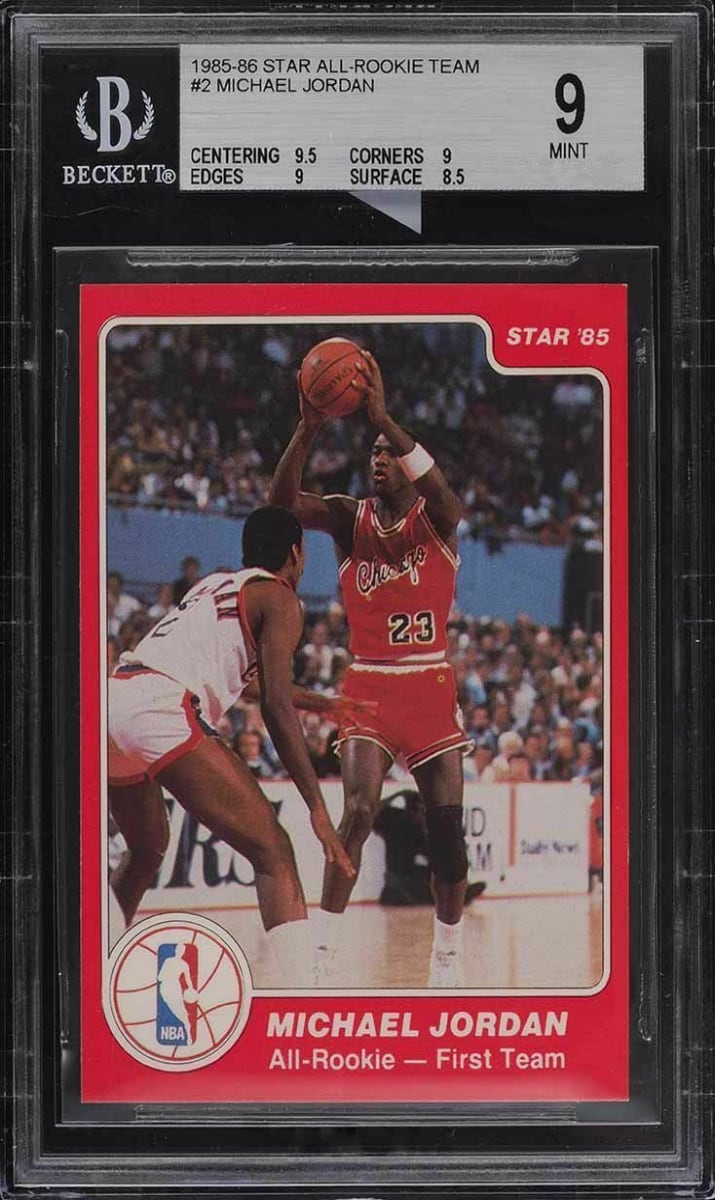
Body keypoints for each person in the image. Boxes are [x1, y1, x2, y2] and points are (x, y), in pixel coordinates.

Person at [269, 352, 473, 986]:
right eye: (373, 453)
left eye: (387, 453)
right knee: (357, 812)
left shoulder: (436, 521)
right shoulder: (347, 519)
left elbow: (447, 497)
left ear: (409, 462)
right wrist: (307, 428)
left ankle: (447, 956)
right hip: (370, 684)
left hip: (429, 684)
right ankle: (324, 953)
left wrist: (382, 416)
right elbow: (278, 508)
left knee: (447, 836)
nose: (377, 460)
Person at [107, 506, 360, 986]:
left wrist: (322, 703)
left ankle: (101, 962)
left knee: (146, 847)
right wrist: (317, 807)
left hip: (115, 697)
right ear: (296, 554)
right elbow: (275, 708)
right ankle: (307, 995)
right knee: (273, 849)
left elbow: (246, 681)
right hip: (161, 706)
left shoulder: (216, 584)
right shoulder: (281, 597)